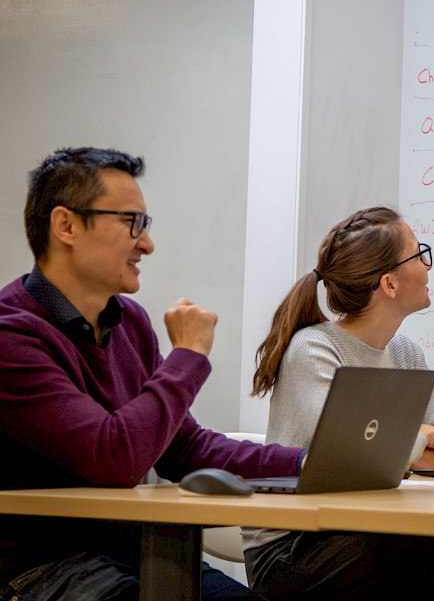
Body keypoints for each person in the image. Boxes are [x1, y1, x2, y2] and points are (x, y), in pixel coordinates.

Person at [0, 147, 305, 601]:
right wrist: (188, 355)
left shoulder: (131, 322)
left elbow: (182, 447)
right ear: (65, 226)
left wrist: (307, 463)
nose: (147, 244)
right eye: (132, 223)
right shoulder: (11, 337)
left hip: (140, 552)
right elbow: (113, 457)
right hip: (44, 569)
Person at [244, 206, 434, 600]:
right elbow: (349, 455)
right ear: (389, 283)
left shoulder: (405, 353)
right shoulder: (313, 349)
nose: (427, 265)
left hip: (369, 527)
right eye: (419, 254)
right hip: (294, 546)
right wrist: (426, 435)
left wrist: (406, 448)